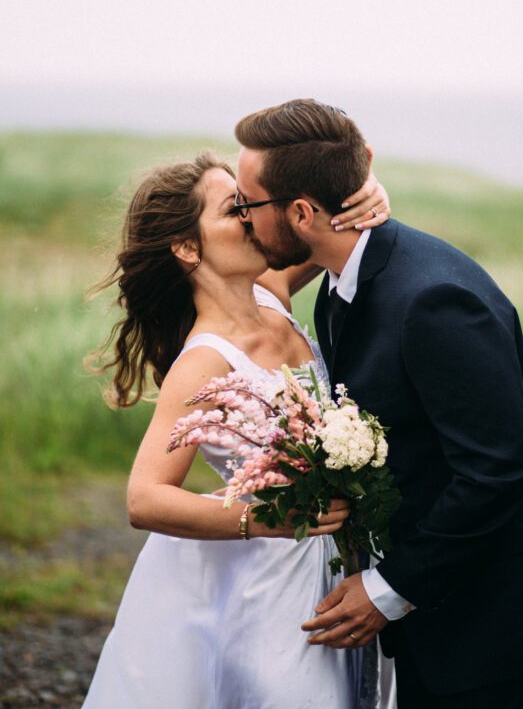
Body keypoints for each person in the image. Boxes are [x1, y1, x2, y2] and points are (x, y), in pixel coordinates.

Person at [234, 98, 523, 709]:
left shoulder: (433, 300)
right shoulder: (341, 279)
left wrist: (388, 589)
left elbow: (497, 471)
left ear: (300, 212)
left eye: (248, 203)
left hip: (504, 629)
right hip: (448, 617)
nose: (242, 217)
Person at [82, 150, 392, 709]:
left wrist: (371, 191)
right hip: (276, 589)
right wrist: (270, 519)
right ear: (186, 247)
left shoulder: (271, 295)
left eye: (250, 203)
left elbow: (331, 225)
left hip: (345, 564)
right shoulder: (204, 363)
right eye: (234, 210)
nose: (254, 218)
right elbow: (144, 499)